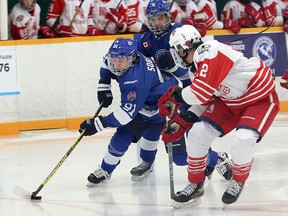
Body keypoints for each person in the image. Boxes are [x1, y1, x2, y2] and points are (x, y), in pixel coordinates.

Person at [157, 24, 279, 207]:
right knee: (198, 133)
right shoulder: (196, 68)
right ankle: (196, 183)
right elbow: (205, 100)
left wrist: (177, 95)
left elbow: (200, 93)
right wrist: (181, 122)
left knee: (243, 139)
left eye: (179, 50)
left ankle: (238, 179)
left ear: (188, 44)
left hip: (258, 98)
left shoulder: (209, 51)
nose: (178, 55)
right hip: (229, 101)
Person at [137, 0, 232, 181]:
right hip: (168, 100)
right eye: (153, 19)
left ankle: (214, 161)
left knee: (195, 138)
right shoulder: (145, 41)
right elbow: (144, 70)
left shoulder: (181, 32)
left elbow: (197, 65)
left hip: (191, 95)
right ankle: (215, 159)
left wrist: (173, 68)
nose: (157, 23)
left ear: (168, 17)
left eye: (161, 18)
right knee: (179, 158)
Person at [79, 37, 181, 186]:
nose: (117, 64)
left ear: (132, 59)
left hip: (160, 109)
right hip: (143, 105)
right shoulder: (126, 57)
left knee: (150, 137)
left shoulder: (135, 80)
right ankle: (105, 169)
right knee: (121, 137)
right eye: (115, 58)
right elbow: (106, 62)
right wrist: (104, 85)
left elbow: (126, 114)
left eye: (121, 60)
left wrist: (99, 123)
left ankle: (147, 163)